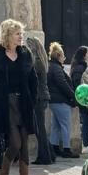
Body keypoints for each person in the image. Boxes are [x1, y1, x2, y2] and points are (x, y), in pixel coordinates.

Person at [0, 19, 39, 175]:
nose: (21, 37)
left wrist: (33, 99)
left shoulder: (25, 53)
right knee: (16, 142)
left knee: (25, 145)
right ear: (8, 35)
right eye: (18, 33)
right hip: (6, 103)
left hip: (24, 103)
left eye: (21, 33)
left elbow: (33, 79)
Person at [27, 36, 56, 165]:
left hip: (39, 97)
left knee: (40, 129)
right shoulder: (40, 60)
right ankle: (49, 154)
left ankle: (45, 157)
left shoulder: (37, 62)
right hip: (41, 96)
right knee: (39, 128)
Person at [47, 42, 78, 159]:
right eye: (63, 56)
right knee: (66, 125)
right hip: (61, 100)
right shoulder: (57, 68)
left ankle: (54, 147)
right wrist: (72, 96)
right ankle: (66, 149)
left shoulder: (51, 66)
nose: (64, 59)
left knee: (56, 125)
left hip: (53, 100)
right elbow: (62, 84)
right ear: (59, 56)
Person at [70, 46, 88, 150]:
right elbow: (78, 84)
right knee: (86, 122)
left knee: (87, 121)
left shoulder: (81, 67)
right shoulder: (80, 68)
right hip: (83, 98)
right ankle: (86, 144)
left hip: (84, 98)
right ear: (84, 55)